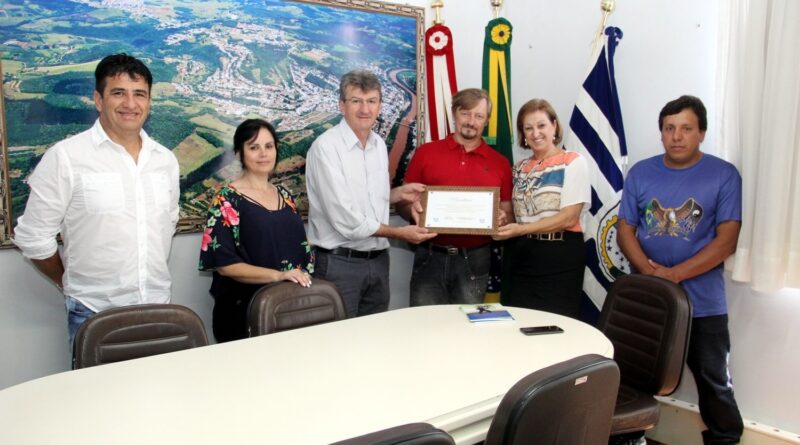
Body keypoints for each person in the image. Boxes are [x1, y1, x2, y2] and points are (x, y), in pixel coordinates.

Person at [13, 53, 180, 349]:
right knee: (98, 396)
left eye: (139, 94)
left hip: (158, 307)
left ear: (149, 101)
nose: (130, 104)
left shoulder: (165, 160)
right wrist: (68, 282)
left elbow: (168, 222)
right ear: (98, 100)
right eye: (118, 93)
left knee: (160, 392)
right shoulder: (66, 157)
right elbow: (33, 238)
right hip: (93, 313)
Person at [617, 95, 744, 445]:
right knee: (632, 375)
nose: (676, 136)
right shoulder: (641, 172)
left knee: (713, 380)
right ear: (661, 133)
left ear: (701, 132)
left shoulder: (724, 175)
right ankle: (627, 436)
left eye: (686, 128)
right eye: (669, 128)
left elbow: (726, 241)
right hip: (649, 298)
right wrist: (647, 270)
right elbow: (625, 229)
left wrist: (673, 275)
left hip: (703, 301)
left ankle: (725, 438)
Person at [306, 69, 435, 318]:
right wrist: (398, 233)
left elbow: (369, 198)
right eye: (356, 101)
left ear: (380, 105)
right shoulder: (326, 148)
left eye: (371, 101)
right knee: (340, 345)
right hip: (339, 265)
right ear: (342, 105)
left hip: (377, 262)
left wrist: (398, 194)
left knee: (372, 344)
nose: (365, 109)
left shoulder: (377, 145)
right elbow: (345, 218)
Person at [198, 119, 313, 342]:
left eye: (269, 146)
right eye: (254, 147)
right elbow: (225, 265)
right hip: (242, 312)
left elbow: (299, 249)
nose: (263, 154)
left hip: (287, 308)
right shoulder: (226, 199)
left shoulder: (285, 195)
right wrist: (278, 276)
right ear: (239, 154)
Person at [399, 88, 513, 306]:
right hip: (430, 255)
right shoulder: (426, 152)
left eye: (479, 116)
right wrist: (411, 209)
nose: (471, 121)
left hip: (476, 259)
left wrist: (502, 219)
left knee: (468, 330)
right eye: (465, 113)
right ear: (454, 114)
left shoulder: (501, 163)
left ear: (487, 120)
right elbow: (404, 202)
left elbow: (508, 213)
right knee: (424, 327)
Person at [493, 99, 590, 319]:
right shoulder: (518, 169)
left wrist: (520, 229)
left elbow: (568, 218)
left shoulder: (573, 162)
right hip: (520, 256)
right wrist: (501, 220)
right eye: (528, 128)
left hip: (559, 257)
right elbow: (514, 215)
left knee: (555, 325)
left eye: (541, 125)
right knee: (517, 323)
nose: (535, 133)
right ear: (523, 134)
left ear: (554, 126)